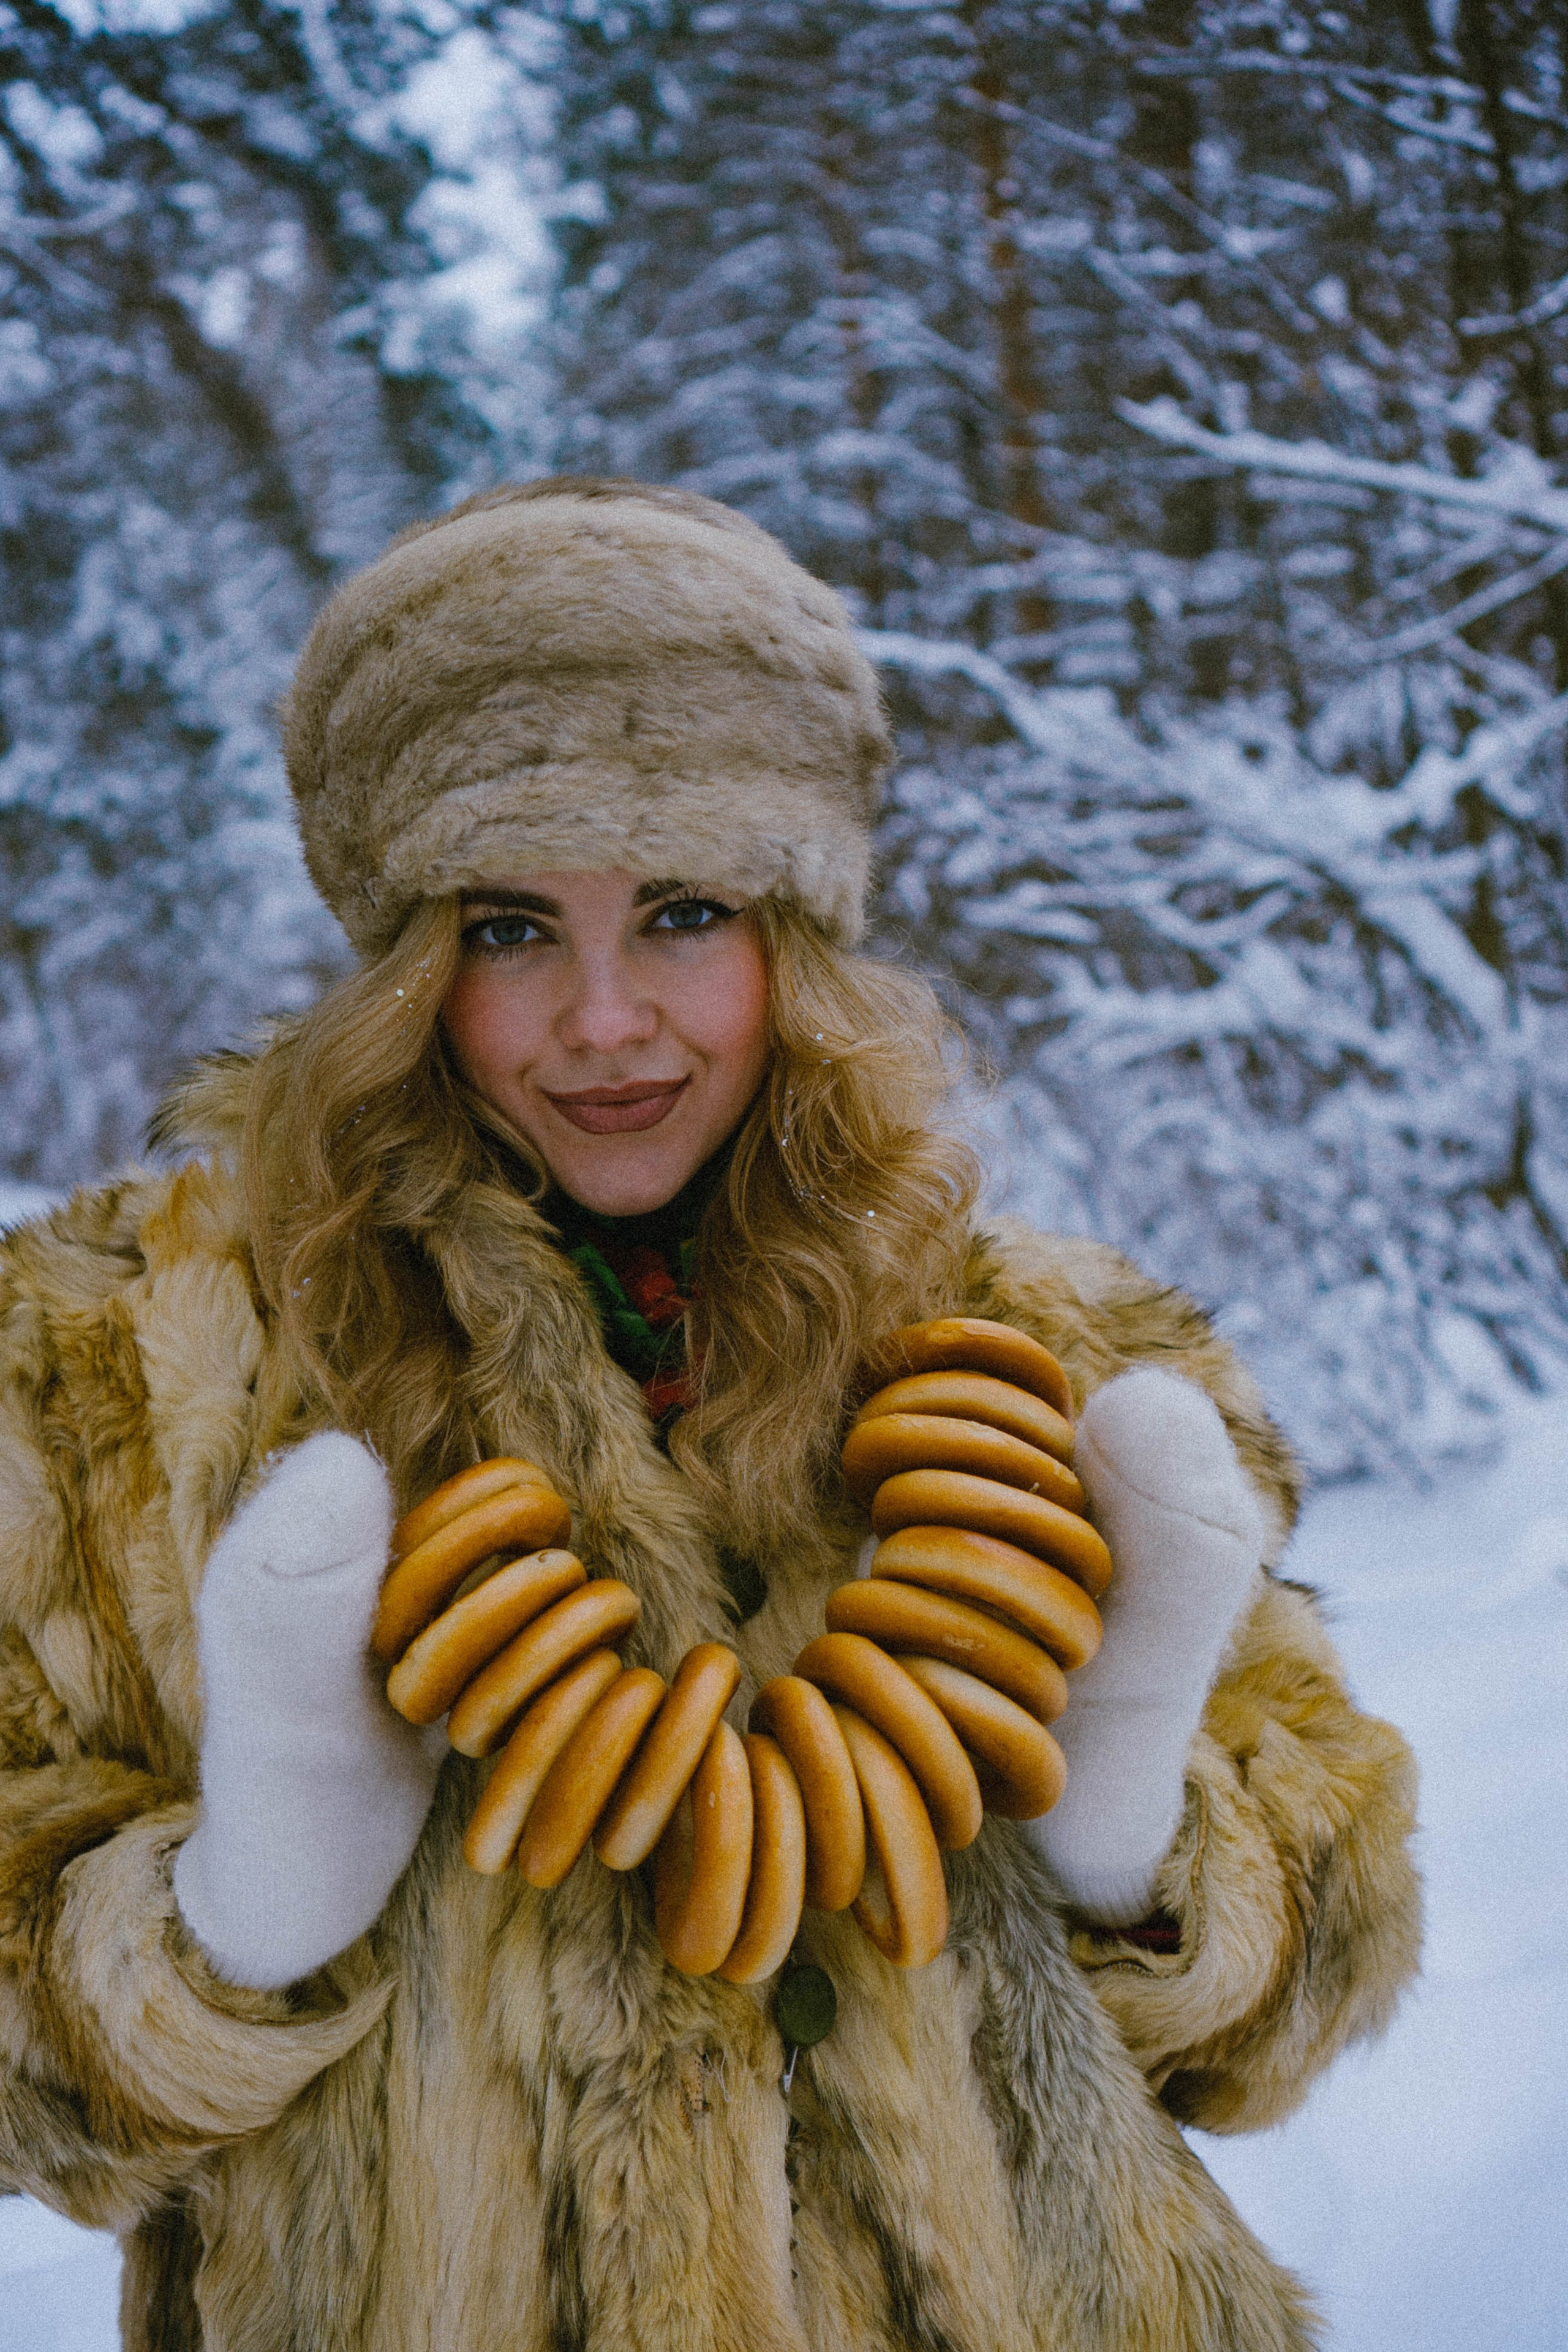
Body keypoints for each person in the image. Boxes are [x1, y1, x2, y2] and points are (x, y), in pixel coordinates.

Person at [0, 480, 1419, 2352]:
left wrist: (1132, 1806)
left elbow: (1300, 1996)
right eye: (511, 926)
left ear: (795, 932)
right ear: (403, 953)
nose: (604, 1020)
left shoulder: (1059, 1358)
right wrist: (231, 1916)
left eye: (682, 913)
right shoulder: (125, 1368)